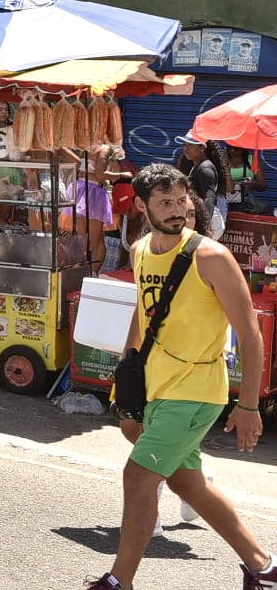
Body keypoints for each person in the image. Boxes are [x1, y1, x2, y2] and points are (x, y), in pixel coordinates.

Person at [83, 163, 277, 590]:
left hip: (196, 391)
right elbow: (145, 310)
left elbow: (249, 332)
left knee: (137, 476)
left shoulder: (211, 256)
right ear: (140, 206)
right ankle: (263, 568)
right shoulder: (139, 250)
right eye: (164, 202)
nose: (176, 210)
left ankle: (119, 581)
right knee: (188, 483)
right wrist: (128, 369)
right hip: (156, 385)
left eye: (181, 201)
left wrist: (248, 405)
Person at [178, 132, 230, 240]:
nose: (186, 149)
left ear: (202, 148)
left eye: (190, 145)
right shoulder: (197, 166)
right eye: (185, 145)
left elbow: (209, 198)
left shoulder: (205, 168)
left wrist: (206, 225)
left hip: (208, 219)